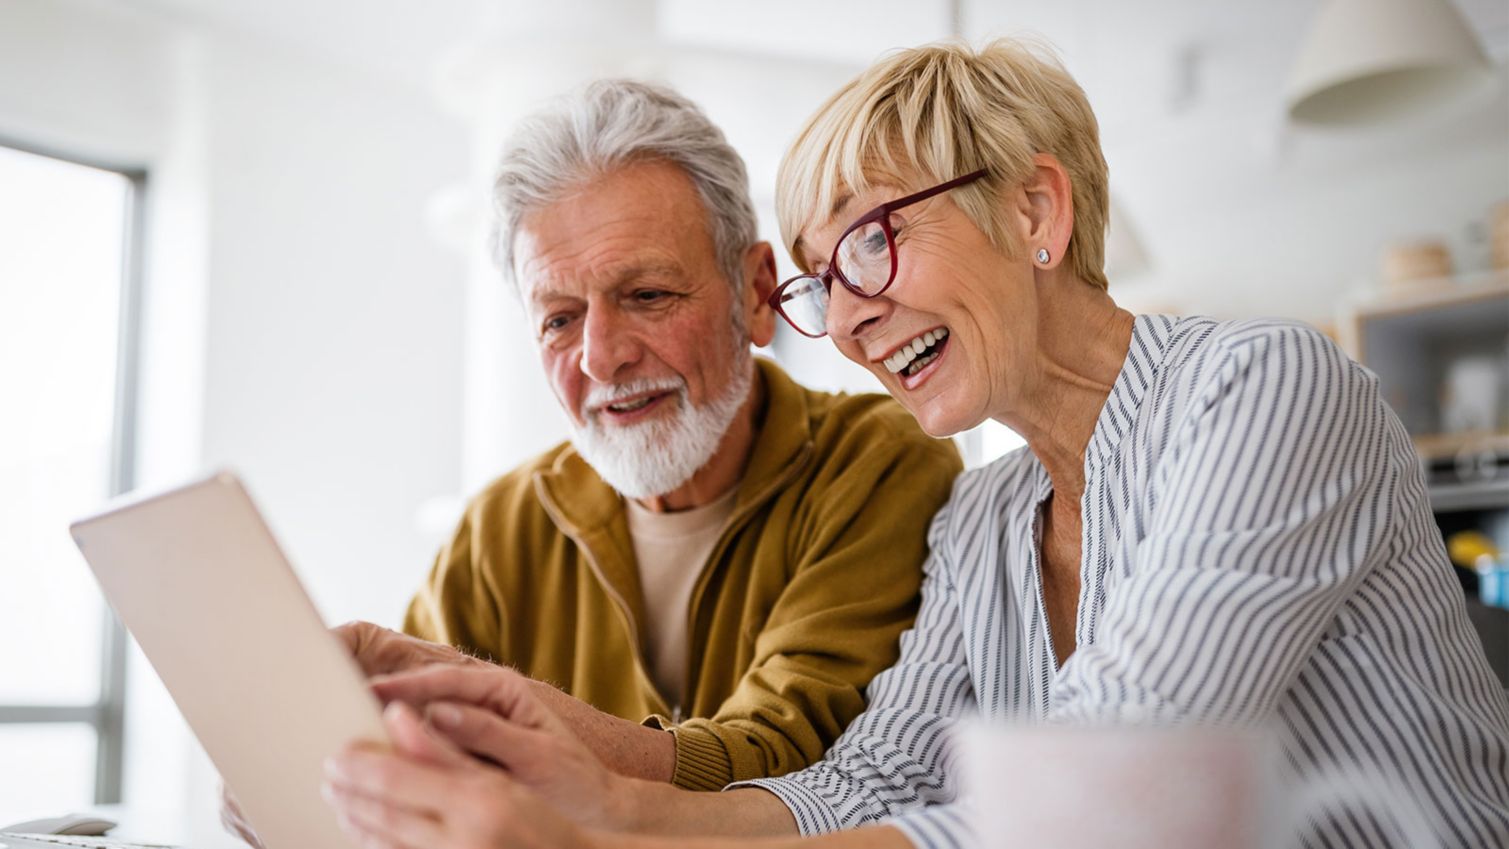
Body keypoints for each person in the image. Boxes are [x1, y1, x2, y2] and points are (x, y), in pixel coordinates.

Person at [319, 41, 1509, 849]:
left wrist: (610, 837)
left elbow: (1089, 798)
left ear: (1036, 212)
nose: (844, 320)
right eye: (823, 282)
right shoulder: (987, 518)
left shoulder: (1264, 390)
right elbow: (867, 783)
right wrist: (609, 801)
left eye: (874, 243)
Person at [225, 79, 963, 847]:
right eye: (559, 318)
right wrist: (308, 783)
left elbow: (798, 764)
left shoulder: (877, 462)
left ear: (755, 294)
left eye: (646, 294)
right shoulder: (499, 527)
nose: (601, 356)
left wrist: (507, 710)